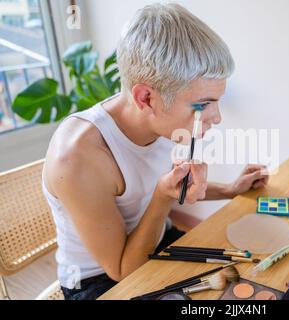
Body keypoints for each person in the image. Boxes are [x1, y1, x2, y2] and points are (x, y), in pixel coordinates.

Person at [42, 3, 268, 300]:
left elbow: (156, 186)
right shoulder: (76, 158)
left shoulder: (158, 117)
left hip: (156, 238)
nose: (216, 117)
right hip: (99, 281)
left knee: (250, 284)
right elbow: (122, 271)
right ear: (146, 97)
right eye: (203, 105)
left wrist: (229, 189)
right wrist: (163, 197)